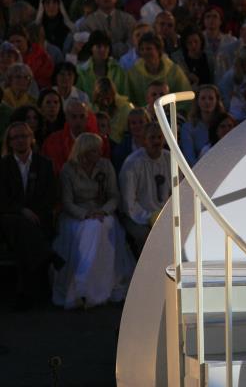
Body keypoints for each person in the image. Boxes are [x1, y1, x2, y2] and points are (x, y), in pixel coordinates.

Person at [53, 132, 134, 309]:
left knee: (102, 226)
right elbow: (67, 202)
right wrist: (85, 214)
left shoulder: (105, 165)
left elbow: (114, 195)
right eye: (94, 151)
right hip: (77, 214)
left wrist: (103, 210)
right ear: (84, 151)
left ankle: (90, 283)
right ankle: (84, 284)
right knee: (92, 228)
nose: (99, 153)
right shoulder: (68, 170)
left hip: (101, 211)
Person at [0, 122, 58, 309]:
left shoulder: (44, 164)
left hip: (38, 219)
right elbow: (2, 199)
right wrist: (22, 210)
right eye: (15, 137)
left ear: (31, 138)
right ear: (9, 142)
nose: (20, 140)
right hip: (10, 219)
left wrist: (34, 213)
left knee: (23, 236)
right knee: (17, 224)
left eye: (24, 136)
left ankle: (24, 293)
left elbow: (51, 196)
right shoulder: (3, 165)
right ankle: (47, 255)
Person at [118, 123, 170, 253]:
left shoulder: (171, 159)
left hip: (165, 215)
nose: (156, 141)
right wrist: (150, 218)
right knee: (147, 238)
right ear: (144, 140)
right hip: (137, 217)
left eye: (159, 137)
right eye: (152, 137)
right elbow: (129, 202)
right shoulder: (132, 163)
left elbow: (179, 191)